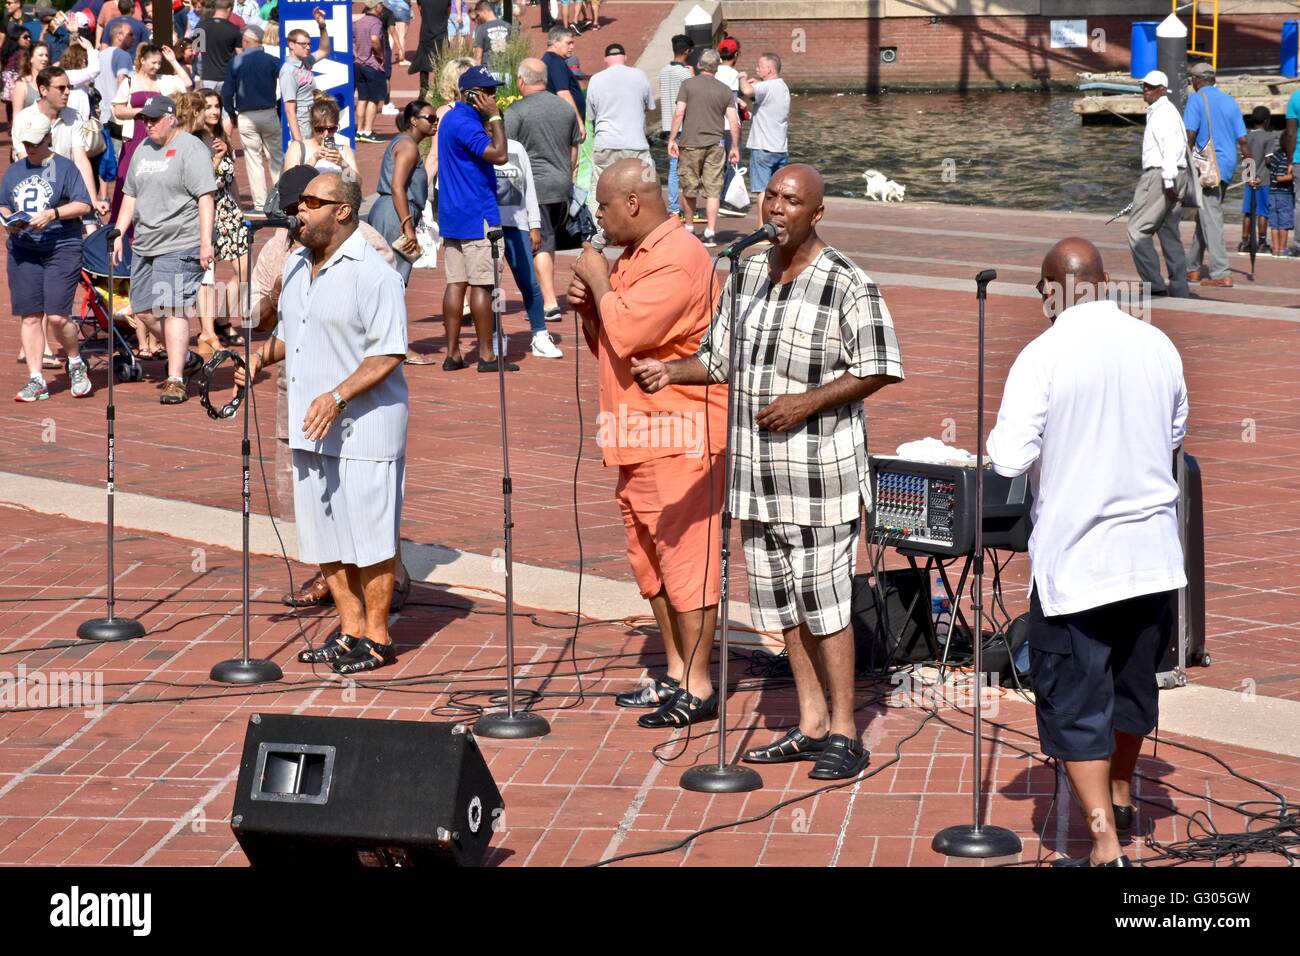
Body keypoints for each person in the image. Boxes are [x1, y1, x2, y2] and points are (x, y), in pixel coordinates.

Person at [631, 165, 905, 779]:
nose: (776, 209)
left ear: (816, 213)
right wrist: (670, 372)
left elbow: (880, 365)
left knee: (827, 606)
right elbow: (719, 357)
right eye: (771, 197)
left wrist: (807, 402)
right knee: (782, 608)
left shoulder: (848, 284)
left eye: (791, 201)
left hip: (820, 478)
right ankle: (809, 724)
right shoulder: (747, 272)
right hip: (755, 480)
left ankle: (845, 730)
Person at [986, 237, 1188, 868]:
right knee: (1133, 690)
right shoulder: (1158, 344)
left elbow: (1009, 458)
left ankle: (1104, 844)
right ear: (1102, 282)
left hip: (1080, 568)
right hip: (1152, 557)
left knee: (1076, 705)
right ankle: (1122, 791)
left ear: (1051, 289)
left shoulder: (1042, 355)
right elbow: (1176, 432)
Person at [566, 160, 727, 725]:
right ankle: (677, 671)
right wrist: (591, 304)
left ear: (633, 203)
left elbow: (631, 330)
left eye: (604, 209)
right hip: (634, 432)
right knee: (649, 562)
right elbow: (612, 344)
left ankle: (700, 684)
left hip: (679, 435)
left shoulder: (681, 260)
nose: (600, 221)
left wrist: (599, 279)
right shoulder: (633, 256)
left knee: (688, 561)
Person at [237, 171, 409, 675]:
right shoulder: (294, 265)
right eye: (300, 202)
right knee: (322, 532)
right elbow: (292, 333)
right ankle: (349, 628)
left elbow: (389, 352)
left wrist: (337, 396)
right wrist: (257, 359)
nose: (300, 210)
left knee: (371, 535)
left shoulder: (374, 272)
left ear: (343, 211)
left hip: (366, 426)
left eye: (313, 201)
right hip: (310, 425)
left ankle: (377, 637)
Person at [111, 94, 216, 404]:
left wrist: (205, 242)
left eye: (155, 119)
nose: (148, 124)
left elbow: (205, 197)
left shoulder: (191, 149)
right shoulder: (142, 149)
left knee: (172, 309)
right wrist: (118, 232)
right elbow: (130, 194)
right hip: (144, 242)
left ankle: (175, 379)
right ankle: (181, 356)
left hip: (180, 241)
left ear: (172, 117)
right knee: (143, 308)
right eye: (145, 119)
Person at [3, 113, 95, 402]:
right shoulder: (15, 171)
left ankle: (75, 361)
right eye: (26, 143)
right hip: (23, 248)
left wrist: (53, 213)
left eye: (36, 143)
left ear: (49, 139)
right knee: (30, 316)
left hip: (61, 245)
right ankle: (36, 379)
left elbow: (83, 204)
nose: (30, 148)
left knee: (56, 315)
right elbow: (4, 204)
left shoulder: (65, 168)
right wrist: (8, 219)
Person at [437, 64, 512, 372]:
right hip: (477, 214)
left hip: (453, 214)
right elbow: (499, 154)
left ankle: (453, 353)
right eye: (488, 92)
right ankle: (486, 355)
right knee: (482, 285)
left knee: (456, 283)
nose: (493, 96)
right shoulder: (467, 122)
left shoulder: (450, 118)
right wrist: (495, 116)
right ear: (472, 95)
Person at [506, 56, 579, 325]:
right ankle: (546, 298)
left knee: (541, 245)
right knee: (547, 243)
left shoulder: (516, 112)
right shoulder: (565, 108)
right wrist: (567, 176)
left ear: (521, 81)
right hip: (561, 184)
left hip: (534, 187)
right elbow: (574, 149)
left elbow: (507, 152)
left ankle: (548, 302)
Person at [366, 100, 434, 366]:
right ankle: (396, 347)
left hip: (389, 212)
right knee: (393, 284)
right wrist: (407, 225)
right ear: (414, 120)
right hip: (395, 214)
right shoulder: (408, 146)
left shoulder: (403, 143)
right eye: (430, 118)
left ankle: (381, 342)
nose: (434, 123)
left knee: (384, 281)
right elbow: (397, 187)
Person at [496, 132, 562, 359]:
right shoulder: (478, 148)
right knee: (491, 286)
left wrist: (534, 224)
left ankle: (540, 335)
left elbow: (529, 189)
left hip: (518, 224)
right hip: (489, 226)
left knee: (530, 283)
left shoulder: (516, 148)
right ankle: (495, 335)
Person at [1126, 70, 1192, 300]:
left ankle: (1154, 283)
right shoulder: (1168, 111)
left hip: (1161, 175)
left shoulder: (1163, 113)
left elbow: (1169, 148)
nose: (1145, 89)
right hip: (1177, 174)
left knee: (1137, 231)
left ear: (1163, 90)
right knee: (1168, 232)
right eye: (1144, 85)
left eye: (1150, 86)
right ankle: (1180, 285)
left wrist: (1168, 180)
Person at [1182, 62, 1247, 288]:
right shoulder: (1230, 101)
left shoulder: (1197, 98)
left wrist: (1182, 164)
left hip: (1208, 168)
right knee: (1205, 217)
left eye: (1192, 80)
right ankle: (1192, 269)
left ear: (1197, 80)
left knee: (1212, 218)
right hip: (1228, 167)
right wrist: (1250, 171)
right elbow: (1244, 141)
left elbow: (1189, 136)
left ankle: (1221, 273)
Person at [110, 42, 191, 222]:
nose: (157, 66)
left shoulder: (163, 80)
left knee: (156, 174)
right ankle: (123, 223)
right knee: (129, 177)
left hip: (159, 135)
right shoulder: (130, 81)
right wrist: (141, 112)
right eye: (153, 62)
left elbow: (187, 83)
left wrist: (173, 61)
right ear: (142, 61)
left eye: (159, 62)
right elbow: (118, 110)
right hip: (135, 135)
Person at [667, 48, 738, 247]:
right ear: (717, 68)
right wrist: (735, 147)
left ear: (699, 65)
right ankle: (710, 232)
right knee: (713, 190)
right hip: (716, 144)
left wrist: (672, 138)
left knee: (688, 187)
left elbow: (679, 113)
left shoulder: (688, 85)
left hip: (690, 143)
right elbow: (733, 121)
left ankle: (689, 228)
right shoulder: (725, 90)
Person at [195, 88, 249, 349]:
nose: (214, 111)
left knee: (244, 271)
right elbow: (202, 181)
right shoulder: (194, 139)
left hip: (229, 211)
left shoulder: (223, 136)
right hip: (207, 213)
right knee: (208, 274)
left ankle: (223, 319)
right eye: (208, 106)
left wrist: (240, 208)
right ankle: (208, 329)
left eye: (217, 106)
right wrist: (216, 158)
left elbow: (231, 179)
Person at [584, 40, 653, 214]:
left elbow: (591, 116)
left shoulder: (596, 80)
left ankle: (600, 233)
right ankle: (641, 231)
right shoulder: (640, 76)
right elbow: (648, 107)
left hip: (605, 143)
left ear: (605, 59)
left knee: (599, 189)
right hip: (636, 144)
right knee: (644, 188)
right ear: (625, 58)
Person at [224, 23, 282, 212]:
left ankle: (260, 203)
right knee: (275, 158)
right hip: (268, 112)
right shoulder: (272, 60)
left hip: (246, 115)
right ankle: (282, 199)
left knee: (253, 160)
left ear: (247, 41)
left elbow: (227, 92)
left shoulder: (236, 61)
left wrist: (231, 113)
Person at [738, 52, 789, 226]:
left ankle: (762, 228)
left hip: (763, 148)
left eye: (759, 66)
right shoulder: (782, 87)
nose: (756, 68)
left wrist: (742, 77)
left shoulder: (766, 87)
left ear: (769, 69)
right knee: (777, 192)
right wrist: (759, 84)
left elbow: (746, 91)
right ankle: (776, 225)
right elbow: (763, 93)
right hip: (780, 148)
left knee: (762, 191)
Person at [279, 6, 330, 144]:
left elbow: (324, 50)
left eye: (309, 44)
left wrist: (322, 26)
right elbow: (290, 110)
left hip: (313, 120)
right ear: (291, 44)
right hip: (302, 126)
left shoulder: (305, 61)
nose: (307, 47)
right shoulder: (288, 71)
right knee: (305, 162)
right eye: (303, 44)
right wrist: (298, 141)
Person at [657, 34, 692, 219]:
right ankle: (686, 207)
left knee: (673, 168)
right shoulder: (685, 73)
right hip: (683, 127)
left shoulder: (663, 71)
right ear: (687, 51)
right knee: (686, 169)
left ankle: (673, 207)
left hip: (667, 125)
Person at [285, 95, 359, 180]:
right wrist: (314, 159)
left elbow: (357, 185)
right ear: (312, 126)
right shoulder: (298, 147)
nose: (326, 134)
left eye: (331, 129)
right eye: (320, 129)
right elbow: (289, 183)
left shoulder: (344, 150)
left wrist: (344, 165)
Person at [1239, 105, 1274, 254]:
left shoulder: (1246, 137)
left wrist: (1249, 176)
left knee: (1248, 211)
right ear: (1266, 121)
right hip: (1264, 180)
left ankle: (1245, 242)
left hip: (1249, 179)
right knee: (1263, 212)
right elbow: (1268, 161)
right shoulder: (1268, 137)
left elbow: (1245, 159)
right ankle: (1261, 242)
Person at [351, 0, 386, 143]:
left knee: (362, 98)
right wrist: (380, 54)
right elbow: (374, 39)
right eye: (381, 5)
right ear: (376, 7)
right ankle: (367, 130)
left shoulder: (358, 22)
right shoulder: (376, 23)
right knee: (374, 99)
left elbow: (353, 41)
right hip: (372, 65)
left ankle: (359, 130)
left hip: (359, 64)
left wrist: (357, 54)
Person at [542, 26, 584, 139]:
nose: (572, 46)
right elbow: (563, 93)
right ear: (556, 42)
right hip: (564, 124)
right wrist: (578, 122)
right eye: (568, 43)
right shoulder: (556, 61)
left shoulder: (548, 60)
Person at [409, 0, 450, 100]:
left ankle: (424, 88)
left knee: (423, 61)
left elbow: (420, 9)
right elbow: (448, 12)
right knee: (440, 63)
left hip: (426, 32)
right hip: (441, 32)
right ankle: (437, 89)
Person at [1268, 132, 1295, 258]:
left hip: (1272, 193)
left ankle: (1275, 248)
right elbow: (1280, 177)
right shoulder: (1285, 157)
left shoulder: (1276, 154)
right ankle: (1283, 249)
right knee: (1284, 223)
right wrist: (1293, 176)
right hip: (1283, 194)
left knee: (1274, 223)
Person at [470, 0, 511, 80]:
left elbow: (478, 56)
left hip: (489, 72)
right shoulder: (507, 26)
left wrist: (476, 74)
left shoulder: (481, 29)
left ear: (484, 12)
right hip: (507, 71)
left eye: (478, 15)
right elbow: (513, 49)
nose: (478, 18)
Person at [10, 38, 47, 115]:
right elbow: (16, 116)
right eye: (41, 55)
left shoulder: (51, 81)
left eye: (46, 55)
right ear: (31, 59)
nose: (45, 58)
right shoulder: (22, 84)